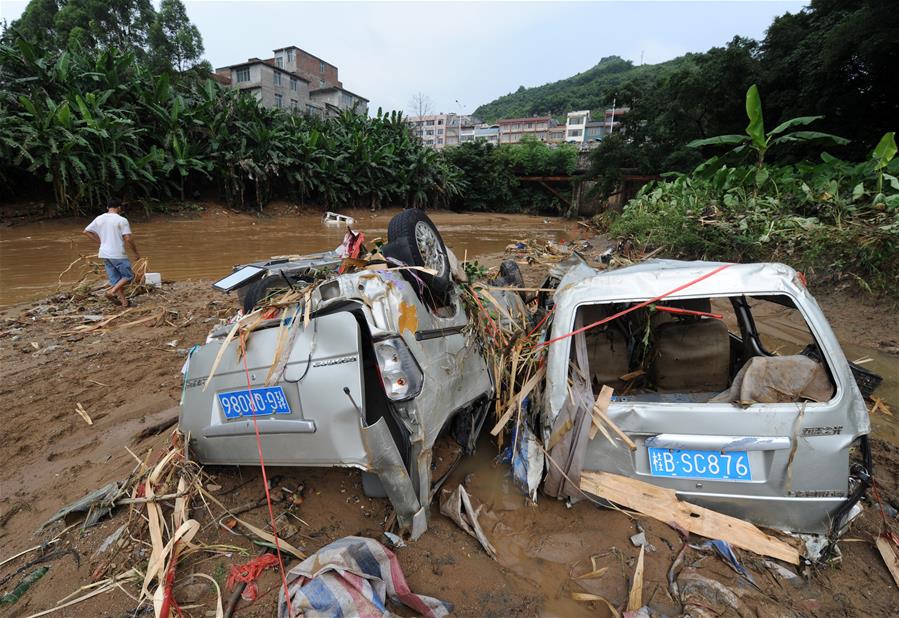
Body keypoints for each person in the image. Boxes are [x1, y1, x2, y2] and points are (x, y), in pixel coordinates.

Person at [83, 198, 141, 308]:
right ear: (119, 207)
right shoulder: (122, 220)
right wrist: (136, 253)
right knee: (129, 276)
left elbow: (86, 231)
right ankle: (111, 292)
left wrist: (101, 242)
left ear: (107, 208)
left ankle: (124, 302)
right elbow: (128, 238)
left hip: (104, 253)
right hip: (117, 253)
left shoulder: (99, 218)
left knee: (116, 279)